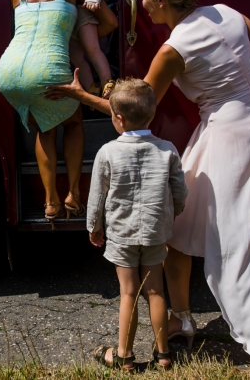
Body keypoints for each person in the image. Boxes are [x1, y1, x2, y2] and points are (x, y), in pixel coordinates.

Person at [44, 0, 250, 367]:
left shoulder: (174, 48)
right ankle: (182, 318)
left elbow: (137, 108)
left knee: (234, 239)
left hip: (231, 137)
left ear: (161, 0)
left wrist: (81, 96)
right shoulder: (230, 14)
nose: (140, 3)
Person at [0, 0, 117, 224]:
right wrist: (77, 34)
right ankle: (73, 194)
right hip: (48, 66)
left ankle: (50, 202)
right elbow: (110, 23)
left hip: (10, 70)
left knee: (44, 128)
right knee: (74, 123)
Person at [88, 78, 187, 370]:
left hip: (122, 233)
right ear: (152, 114)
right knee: (156, 290)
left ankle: (125, 357)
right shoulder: (167, 150)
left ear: (118, 118)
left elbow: (97, 197)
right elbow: (179, 192)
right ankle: (163, 355)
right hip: (156, 231)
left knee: (128, 292)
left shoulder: (108, 152)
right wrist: (173, 214)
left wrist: (95, 227)